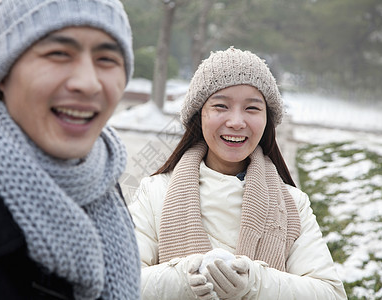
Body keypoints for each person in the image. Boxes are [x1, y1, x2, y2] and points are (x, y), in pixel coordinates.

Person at [0, 0, 140, 299]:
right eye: (58, 54)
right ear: (2, 73)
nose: (88, 83)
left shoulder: (99, 183)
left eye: (107, 58)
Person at [129, 47, 347, 299]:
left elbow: (330, 293)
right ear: (199, 115)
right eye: (221, 106)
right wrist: (184, 280)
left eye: (252, 109)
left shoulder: (293, 205)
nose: (236, 122)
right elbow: (121, 283)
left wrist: (254, 283)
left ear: (267, 120)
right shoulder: (155, 192)